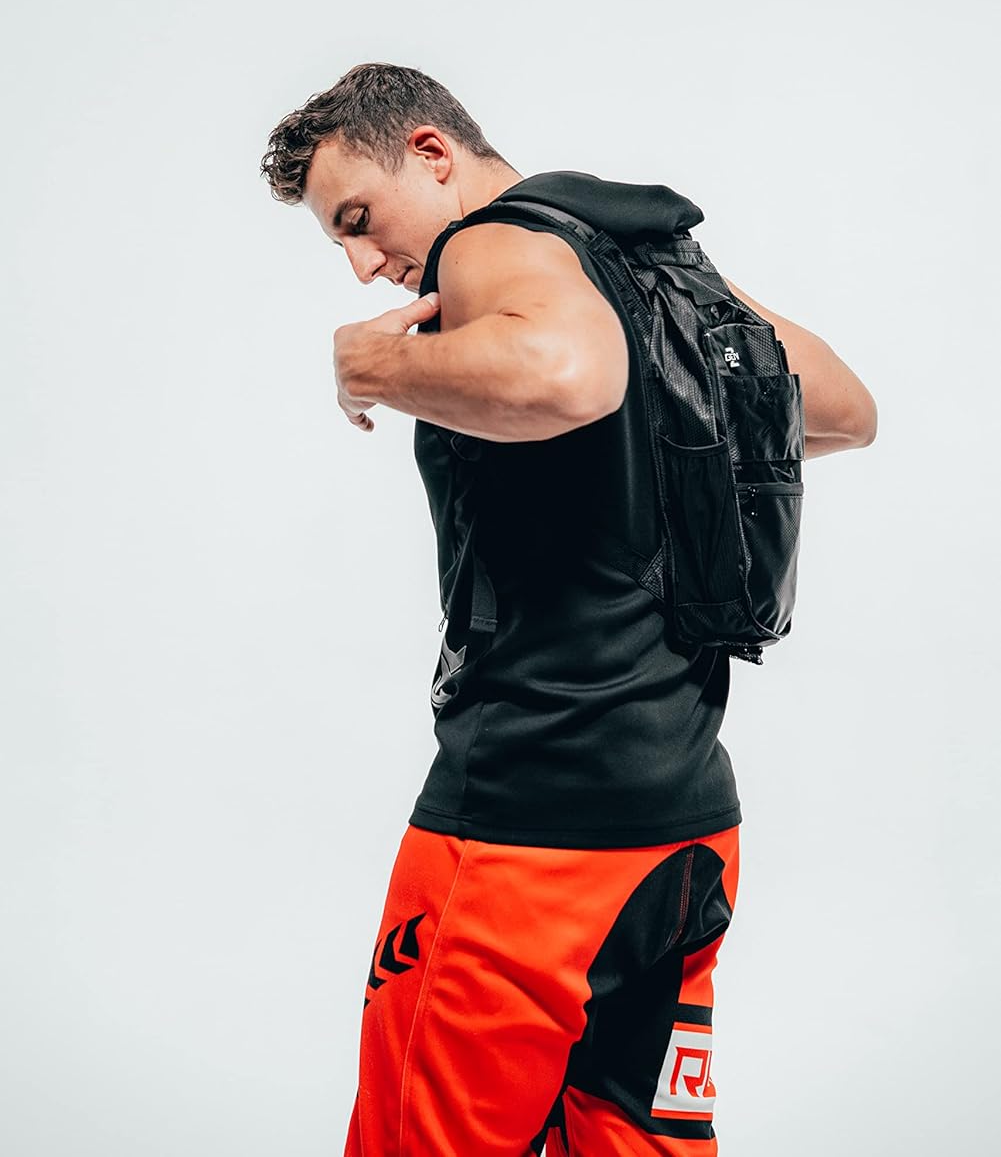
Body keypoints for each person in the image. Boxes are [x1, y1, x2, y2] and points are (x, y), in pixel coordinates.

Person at [260, 62, 878, 1156]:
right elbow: (836, 406)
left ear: (431, 153)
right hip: (682, 834)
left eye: (357, 219)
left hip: (523, 837)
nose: (362, 264)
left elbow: (564, 378)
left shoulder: (487, 240)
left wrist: (369, 366)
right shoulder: (645, 261)